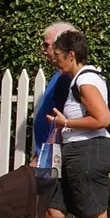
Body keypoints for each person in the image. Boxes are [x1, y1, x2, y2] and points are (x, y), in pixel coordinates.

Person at [44, 30, 110, 218]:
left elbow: (103, 118)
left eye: (57, 55)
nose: (54, 59)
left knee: (94, 216)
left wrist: (65, 123)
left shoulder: (85, 80)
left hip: (89, 151)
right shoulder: (82, 79)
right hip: (76, 152)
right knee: (54, 211)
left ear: (71, 55)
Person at [33, 22, 78, 161]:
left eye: (47, 44)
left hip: (53, 158)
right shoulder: (59, 75)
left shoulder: (67, 79)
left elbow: (60, 122)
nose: (43, 49)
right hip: (46, 155)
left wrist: (45, 157)